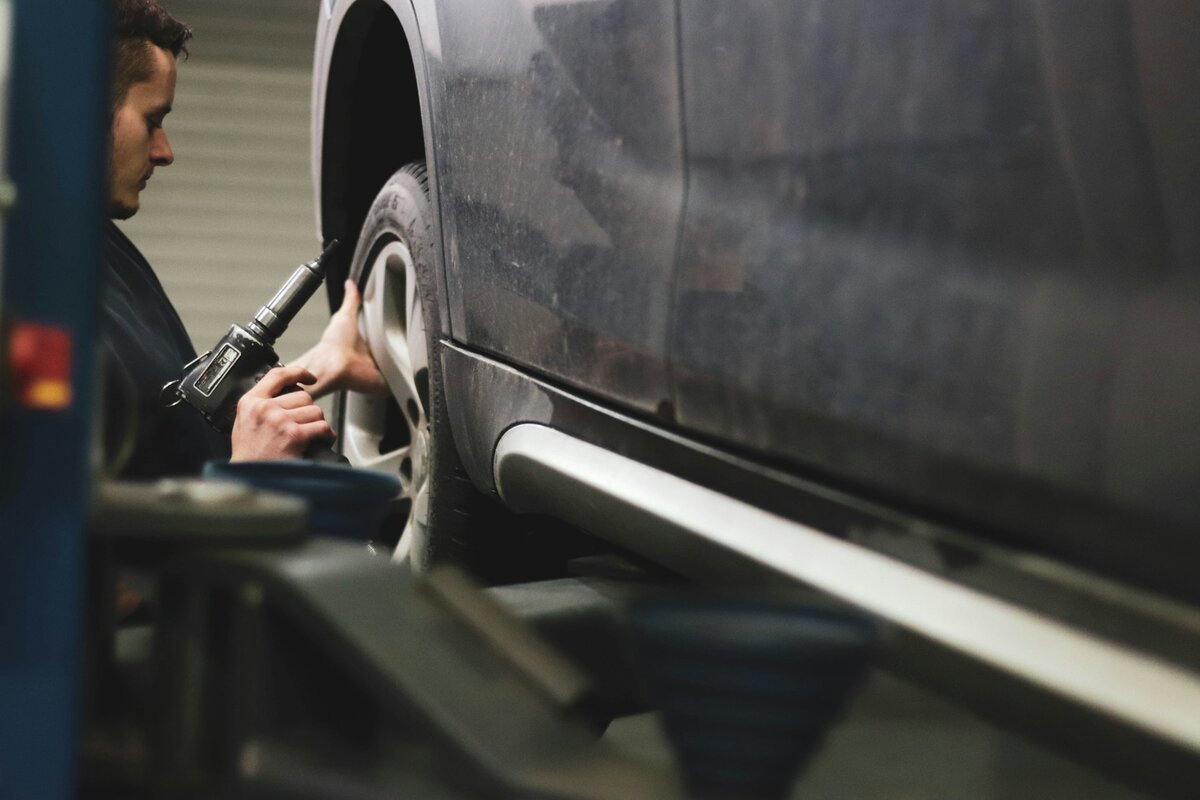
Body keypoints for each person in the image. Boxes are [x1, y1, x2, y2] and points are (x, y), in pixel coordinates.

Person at [102, 0, 383, 478]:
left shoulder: (103, 251)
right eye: (153, 119)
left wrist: (322, 363)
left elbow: (170, 431)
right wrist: (249, 471)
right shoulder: (26, 287)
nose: (164, 151)